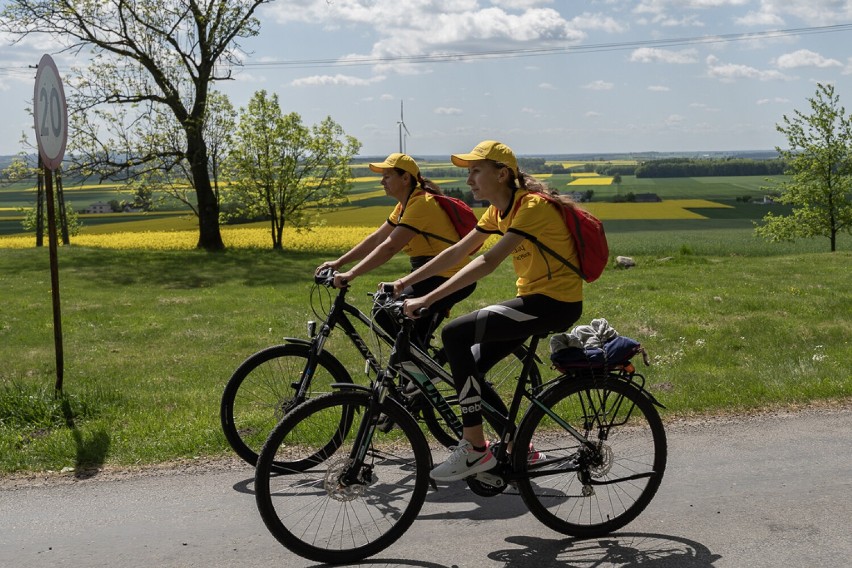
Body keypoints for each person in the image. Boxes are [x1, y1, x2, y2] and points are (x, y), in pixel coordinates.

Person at [396, 140, 584, 482]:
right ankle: (516, 444)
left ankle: (474, 448)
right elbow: (458, 252)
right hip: (533, 302)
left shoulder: (533, 207)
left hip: (554, 304)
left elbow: (487, 260)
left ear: (502, 174)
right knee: (467, 366)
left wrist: (428, 298)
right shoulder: (498, 210)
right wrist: (404, 282)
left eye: (476, 171)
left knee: (455, 334)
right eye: (468, 172)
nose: (469, 180)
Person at [316, 152, 476, 348]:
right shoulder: (405, 205)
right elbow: (376, 238)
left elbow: (389, 247)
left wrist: (350, 273)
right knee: (406, 332)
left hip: (449, 275)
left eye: (387, 176)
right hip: (429, 275)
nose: (382, 181)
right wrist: (339, 262)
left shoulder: (421, 204)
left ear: (405, 178)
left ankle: (416, 367)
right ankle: (414, 368)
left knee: (384, 309)